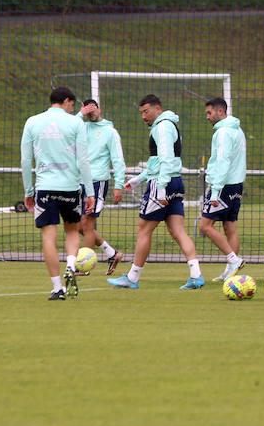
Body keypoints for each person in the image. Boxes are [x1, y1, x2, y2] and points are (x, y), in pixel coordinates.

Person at [107, 95, 203, 291]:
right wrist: (137, 180)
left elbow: (166, 159)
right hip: (175, 181)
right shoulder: (169, 125)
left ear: (157, 109)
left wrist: (160, 189)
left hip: (163, 183)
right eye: (141, 112)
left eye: (146, 111)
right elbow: (159, 161)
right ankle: (196, 275)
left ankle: (132, 277)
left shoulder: (162, 127)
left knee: (144, 229)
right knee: (178, 231)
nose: (143, 116)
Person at [20, 86, 94, 300]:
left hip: (45, 187)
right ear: (68, 101)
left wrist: (28, 191)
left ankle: (57, 288)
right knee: (72, 230)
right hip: (70, 187)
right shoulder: (75, 123)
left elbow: (26, 160)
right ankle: (71, 265)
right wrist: (90, 191)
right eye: (72, 105)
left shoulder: (32, 122)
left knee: (48, 237)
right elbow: (83, 160)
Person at [198, 97, 246, 282]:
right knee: (230, 226)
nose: (207, 117)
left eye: (209, 113)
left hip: (223, 185)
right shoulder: (238, 129)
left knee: (205, 226)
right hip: (237, 184)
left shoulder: (223, 132)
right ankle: (230, 271)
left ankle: (233, 260)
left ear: (220, 112)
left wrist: (215, 191)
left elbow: (223, 160)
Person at [79, 99, 125, 275]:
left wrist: (118, 185)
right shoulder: (80, 127)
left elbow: (118, 159)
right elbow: (68, 127)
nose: (91, 112)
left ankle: (83, 266)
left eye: (93, 108)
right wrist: (81, 113)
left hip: (97, 182)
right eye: (87, 109)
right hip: (78, 182)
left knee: (87, 224)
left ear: (100, 108)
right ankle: (111, 253)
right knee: (77, 226)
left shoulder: (110, 132)